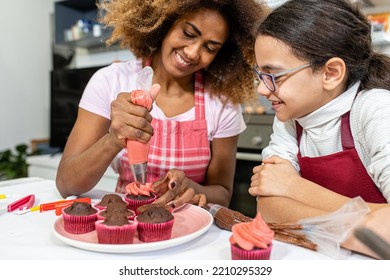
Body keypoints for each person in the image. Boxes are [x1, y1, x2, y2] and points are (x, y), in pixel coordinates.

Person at [55, 0, 268, 208]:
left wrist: (190, 188)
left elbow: (222, 193)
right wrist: (113, 139)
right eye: (188, 33)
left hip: (190, 230)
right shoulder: (111, 81)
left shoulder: (222, 102)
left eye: (210, 48)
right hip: (126, 224)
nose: (193, 53)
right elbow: (67, 184)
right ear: (165, 22)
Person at [249, 0, 390, 258]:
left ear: (331, 73)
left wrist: (295, 189)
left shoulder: (377, 110)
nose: (261, 89)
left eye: (275, 76)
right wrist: (371, 225)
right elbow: (268, 207)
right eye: (260, 75)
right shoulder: (290, 117)